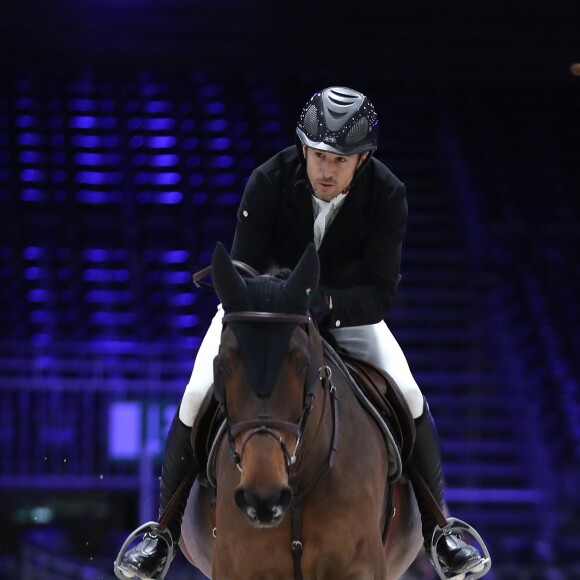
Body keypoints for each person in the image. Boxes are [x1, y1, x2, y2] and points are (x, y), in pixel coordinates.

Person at [117, 86, 488, 579]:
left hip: (349, 313)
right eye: (317, 155)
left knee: (410, 394)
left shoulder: (389, 194)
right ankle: (161, 532)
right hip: (264, 315)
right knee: (195, 392)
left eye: (339, 159)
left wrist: (318, 305)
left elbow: (379, 293)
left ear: (362, 159)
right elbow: (245, 270)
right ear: (303, 149)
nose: (325, 170)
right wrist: (278, 305)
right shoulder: (268, 181)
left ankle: (442, 531)